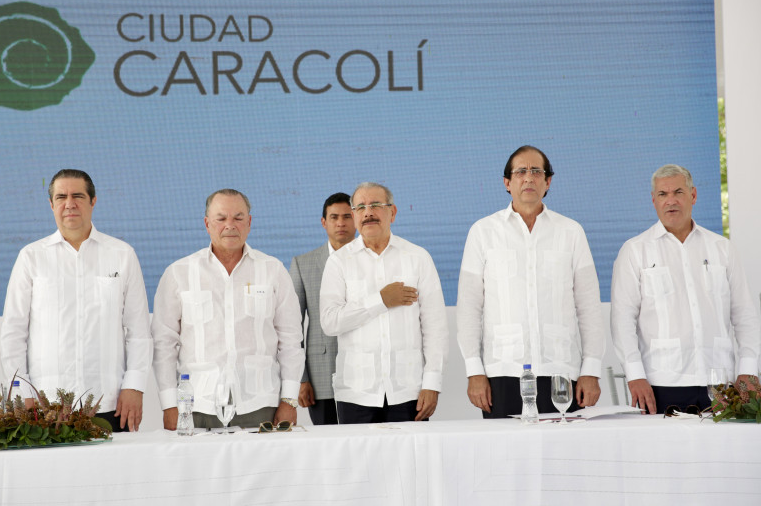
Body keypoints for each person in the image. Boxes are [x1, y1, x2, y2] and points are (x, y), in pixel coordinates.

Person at [457, 145, 605, 418]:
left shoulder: (571, 232)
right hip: (502, 371)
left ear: (548, 182)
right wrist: (474, 371)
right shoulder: (483, 232)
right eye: (520, 172)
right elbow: (469, 308)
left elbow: (589, 307)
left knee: (562, 445)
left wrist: (591, 370)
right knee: (505, 446)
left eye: (536, 171)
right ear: (507, 182)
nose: (528, 178)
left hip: (560, 370)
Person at [0, 169, 151, 432]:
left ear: (93, 201)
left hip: (110, 403)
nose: (69, 204)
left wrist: (134, 386)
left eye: (78, 196)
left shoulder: (122, 255)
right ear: (51, 204)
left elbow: (139, 331)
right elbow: (13, 332)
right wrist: (22, 391)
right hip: (45, 407)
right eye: (61, 197)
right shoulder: (31, 257)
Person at [611, 164, 760, 414]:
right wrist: (635, 375)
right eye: (663, 194)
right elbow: (622, 320)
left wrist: (748, 370)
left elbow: (744, 314)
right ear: (654, 200)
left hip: (721, 382)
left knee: (726, 442)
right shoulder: (635, 251)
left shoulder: (722, 248)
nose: (671, 201)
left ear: (693, 195)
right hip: (662, 383)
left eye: (678, 192)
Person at [151, 189, 304, 430]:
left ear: (249, 222)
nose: (230, 225)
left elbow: (291, 341)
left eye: (238, 218)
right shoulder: (179, 273)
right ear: (207, 224)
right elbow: (163, 344)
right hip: (197, 405)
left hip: (261, 403)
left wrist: (289, 400)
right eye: (221, 218)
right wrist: (169, 404)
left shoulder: (273, 270)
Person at [319, 182, 448, 424]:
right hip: (356, 393)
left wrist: (432, 383)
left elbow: (435, 328)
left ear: (393, 212)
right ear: (354, 216)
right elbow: (330, 322)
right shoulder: (339, 262)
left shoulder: (418, 258)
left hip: (408, 391)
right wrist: (381, 300)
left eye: (376, 205)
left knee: (410, 451)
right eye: (360, 207)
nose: (368, 212)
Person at [290, 192, 356, 425]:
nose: (341, 223)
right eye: (334, 217)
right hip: (320, 374)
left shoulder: (374, 260)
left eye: (347, 216)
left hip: (367, 374)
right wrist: (301, 379)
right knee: (327, 440)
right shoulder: (303, 264)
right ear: (323, 222)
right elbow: (292, 326)